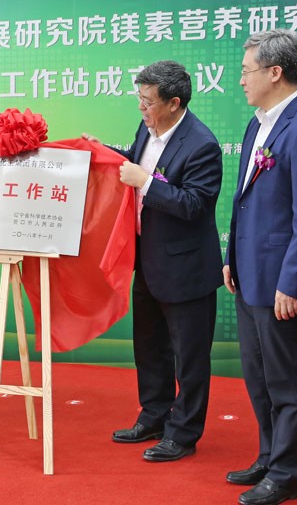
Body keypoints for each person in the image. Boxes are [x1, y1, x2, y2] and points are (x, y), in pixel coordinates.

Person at [84, 60, 223, 463]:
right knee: (149, 347)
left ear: (174, 103)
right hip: (147, 259)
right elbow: (135, 161)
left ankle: (183, 433)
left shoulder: (202, 145)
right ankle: (154, 415)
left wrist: (144, 183)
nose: (140, 107)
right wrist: (104, 153)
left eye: (147, 101)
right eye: (139, 98)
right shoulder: (148, 128)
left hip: (186, 269)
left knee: (189, 357)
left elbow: (194, 204)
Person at [222, 29, 297, 505]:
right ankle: (269, 456)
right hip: (249, 274)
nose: (241, 80)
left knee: (287, 381)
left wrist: (292, 282)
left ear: (275, 72)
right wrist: (231, 259)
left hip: (282, 283)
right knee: (259, 376)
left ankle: (288, 474)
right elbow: (244, 201)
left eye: (246, 71)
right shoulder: (258, 124)